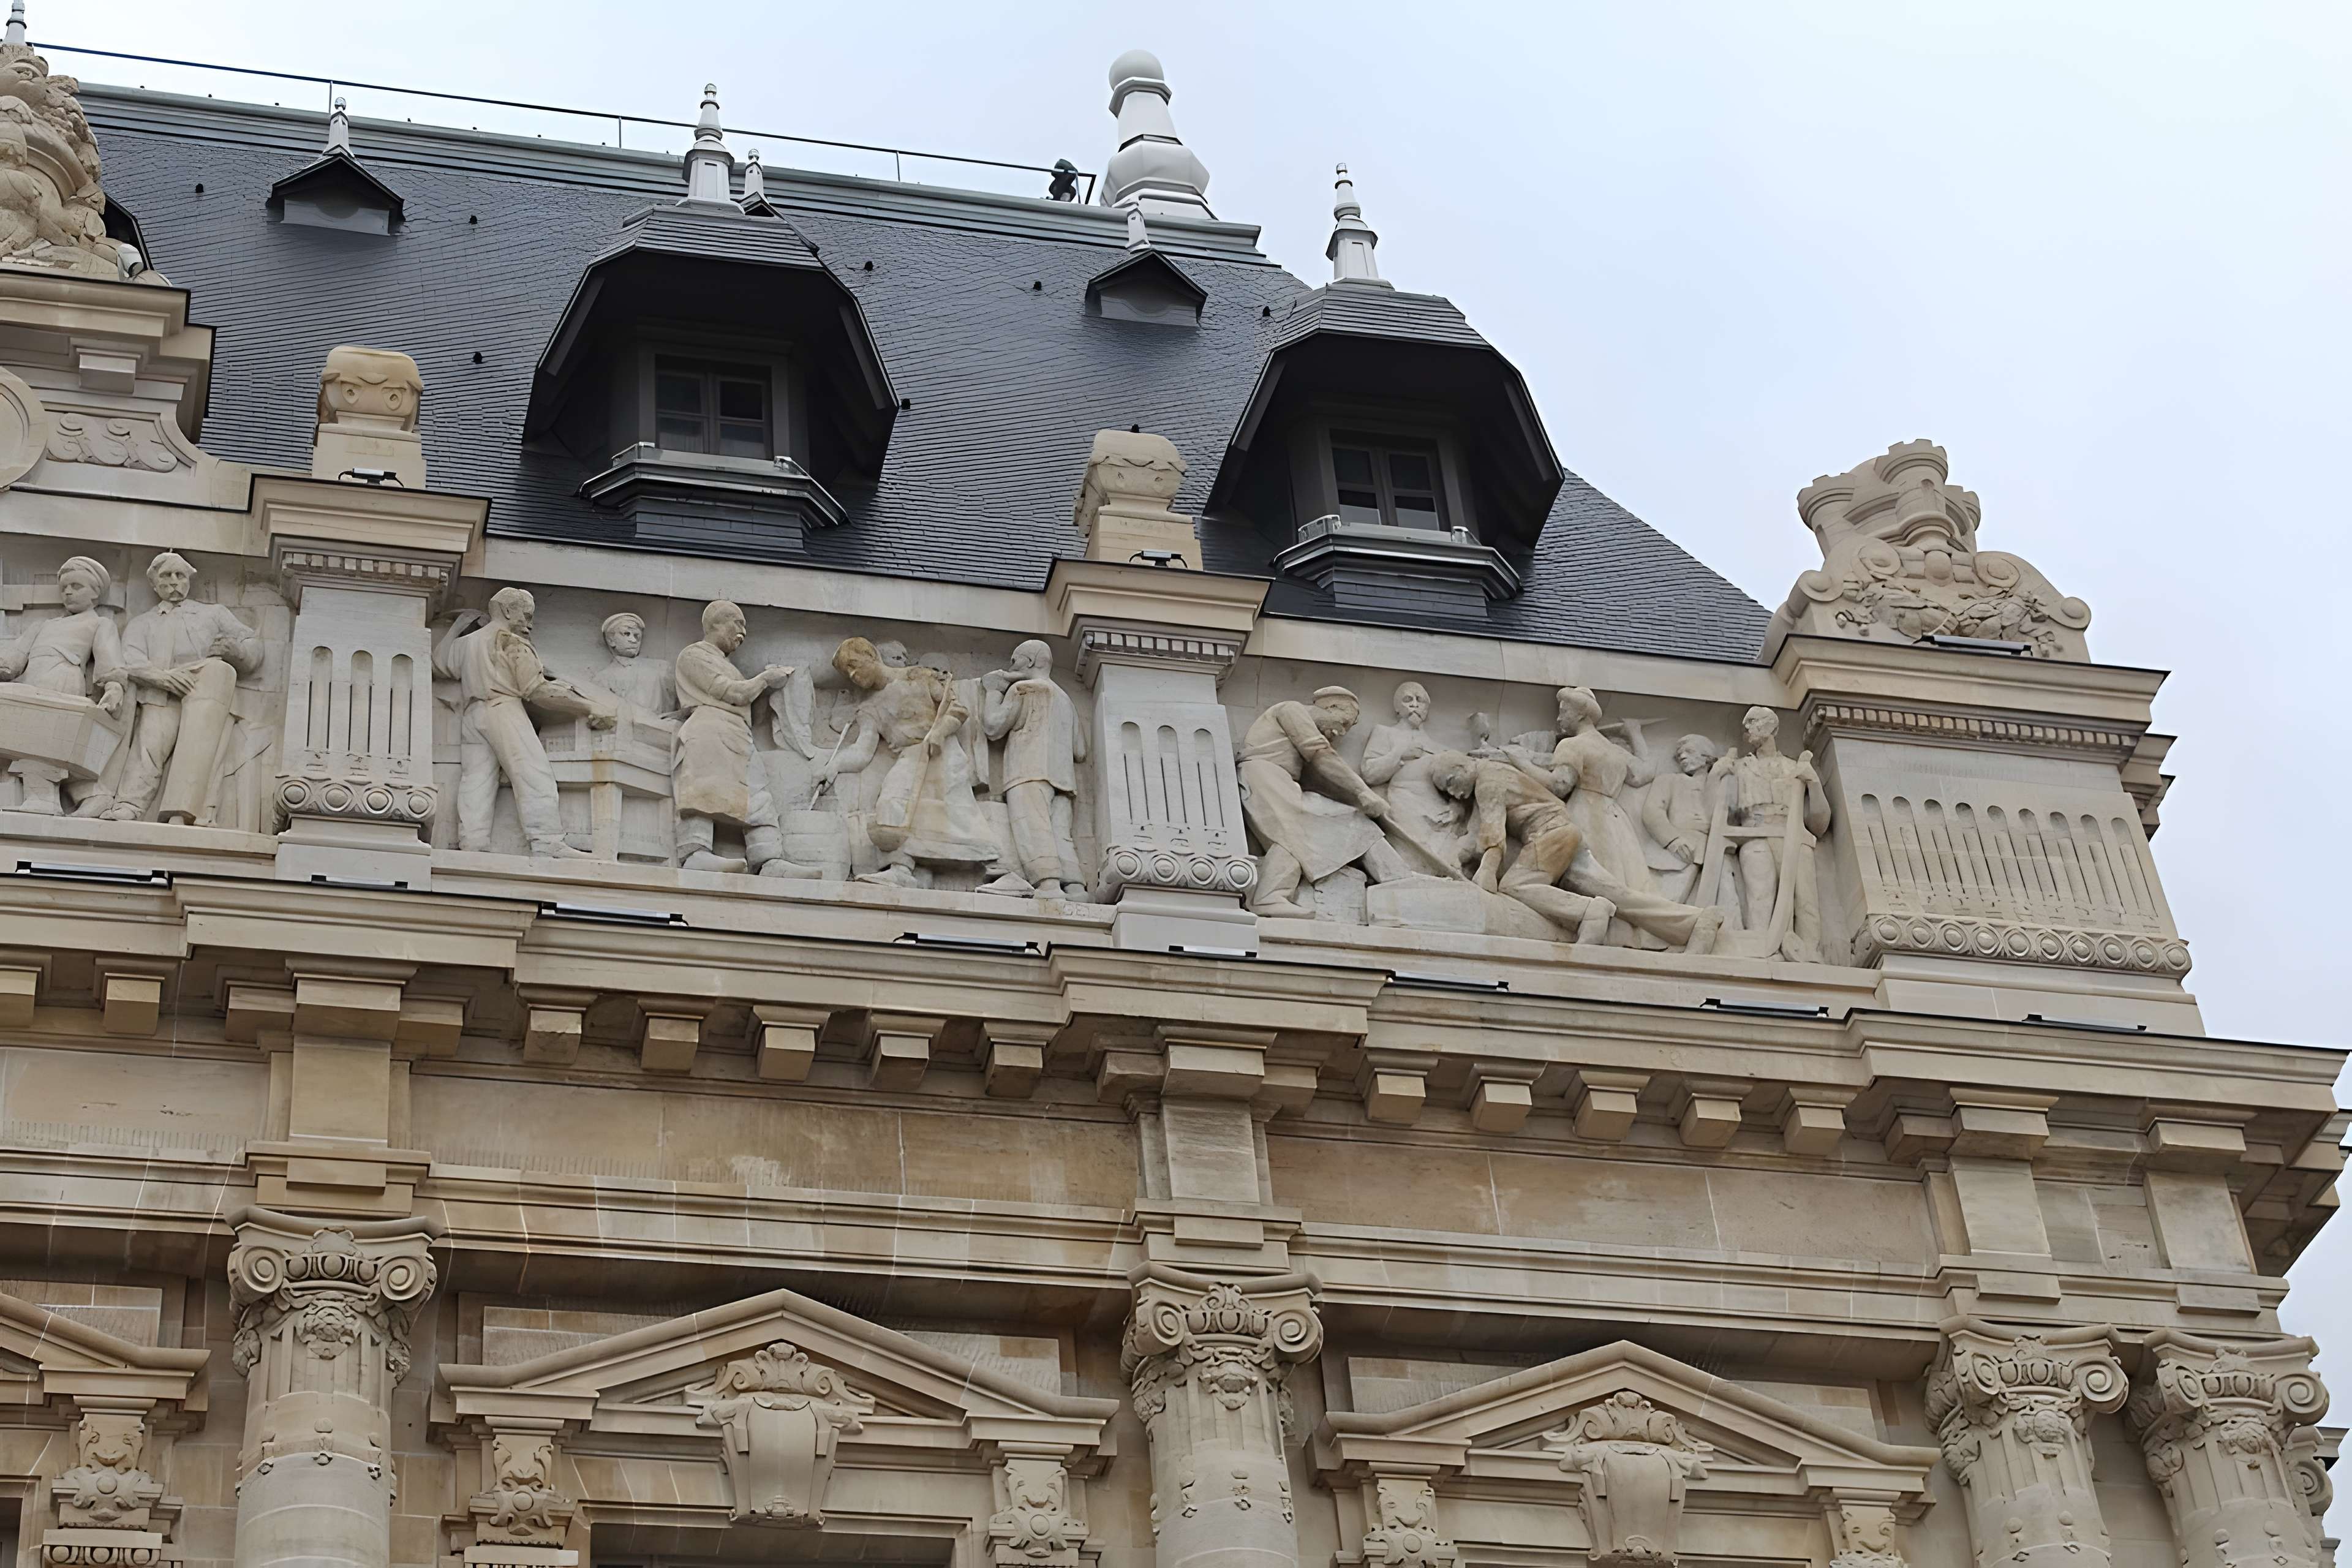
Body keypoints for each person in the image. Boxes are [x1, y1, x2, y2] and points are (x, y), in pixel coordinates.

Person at [823, 636, 1021, 891]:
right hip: (910, 757)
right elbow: (863, 751)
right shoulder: (869, 707)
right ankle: (901, 870)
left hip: (941, 754)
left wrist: (940, 732)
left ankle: (1005, 872)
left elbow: (957, 709)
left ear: (872, 656)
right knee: (891, 802)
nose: (852, 675)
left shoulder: (918, 676)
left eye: (855, 665)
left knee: (958, 812)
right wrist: (834, 765)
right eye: (846, 673)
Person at [433, 587, 612, 858]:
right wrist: (589, 706)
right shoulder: (511, 642)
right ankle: (546, 841)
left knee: (476, 780)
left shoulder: (467, 643)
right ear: (508, 611)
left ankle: (473, 843)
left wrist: (458, 627)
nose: (530, 622)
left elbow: (438, 663)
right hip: (504, 709)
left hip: (473, 716)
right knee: (532, 772)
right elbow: (537, 690)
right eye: (527, 614)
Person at [102, 551, 261, 824]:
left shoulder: (214, 614)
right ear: (154, 584)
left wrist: (236, 650)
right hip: (161, 693)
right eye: (166, 576)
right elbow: (129, 661)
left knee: (198, 742)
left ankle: (183, 810)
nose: (174, 582)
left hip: (205, 689)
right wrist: (163, 678)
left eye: (180, 576)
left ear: (189, 580)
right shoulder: (143, 623)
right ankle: (129, 805)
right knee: (149, 747)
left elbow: (253, 645)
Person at [1238, 687, 1414, 918]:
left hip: (1277, 780)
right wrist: (1364, 793)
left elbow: (1323, 776)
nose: (1341, 733)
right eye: (1343, 723)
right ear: (1330, 707)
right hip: (1265, 777)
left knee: (1294, 835)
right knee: (1301, 829)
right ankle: (1268, 897)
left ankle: (1270, 895)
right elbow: (1321, 755)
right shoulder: (1291, 710)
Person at [672, 600, 808, 876]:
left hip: (738, 735)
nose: (743, 633)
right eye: (738, 623)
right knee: (703, 789)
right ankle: (695, 853)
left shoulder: (730, 666)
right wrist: (765, 679)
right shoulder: (694, 656)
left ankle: (769, 859)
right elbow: (732, 693)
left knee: (758, 794)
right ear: (716, 624)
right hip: (709, 729)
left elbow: (749, 710)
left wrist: (770, 691)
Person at [1426, 749, 1615, 944]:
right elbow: (1476, 833)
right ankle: (1580, 919)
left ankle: (1590, 911)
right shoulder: (1491, 772)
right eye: (1447, 792)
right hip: (1555, 832)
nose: (1455, 794)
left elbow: (1493, 832)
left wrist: (1488, 871)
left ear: (1462, 767)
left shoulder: (1487, 783)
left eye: (1451, 783)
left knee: (1514, 886)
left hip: (1550, 833)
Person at [0, 554, 123, 815]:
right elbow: (12, 662)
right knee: (27, 733)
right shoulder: (42, 625)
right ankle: (91, 795)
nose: (68, 592)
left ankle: (44, 800)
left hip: (62, 679)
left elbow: (109, 661)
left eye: (76, 587)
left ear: (95, 594)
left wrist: (114, 687)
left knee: (42, 738)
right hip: (32, 682)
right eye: (64, 588)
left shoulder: (99, 623)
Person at [1713, 706, 1831, 962]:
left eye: (1755, 722)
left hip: (1794, 836)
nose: (1748, 729)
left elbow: (1819, 824)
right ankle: (1761, 952)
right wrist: (1716, 775)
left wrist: (1814, 783)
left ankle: (1808, 954)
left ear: (1773, 728)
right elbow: (1716, 813)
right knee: (1760, 896)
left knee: (1806, 901)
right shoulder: (1739, 768)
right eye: (1746, 724)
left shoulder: (1795, 768)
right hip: (1754, 835)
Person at [982, 639, 1085, 899]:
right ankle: (1075, 887)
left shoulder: (1024, 689)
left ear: (1029, 661)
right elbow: (1080, 751)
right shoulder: (1065, 699)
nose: (1011, 665)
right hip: (1063, 779)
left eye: (1014, 660)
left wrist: (994, 690)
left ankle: (1048, 885)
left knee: (1031, 826)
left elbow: (993, 727)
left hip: (1028, 770)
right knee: (1060, 833)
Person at [1360, 680, 1468, 867]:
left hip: (1438, 809)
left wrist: (1457, 808)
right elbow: (1370, 773)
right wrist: (1400, 754)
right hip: (1404, 804)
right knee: (1418, 861)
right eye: (1408, 699)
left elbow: (1460, 783)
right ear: (1397, 708)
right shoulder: (1385, 733)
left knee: (1450, 859)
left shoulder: (1439, 748)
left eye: (1421, 700)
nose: (1415, 705)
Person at [1641, 733, 1730, 908]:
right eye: (1679, 754)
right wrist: (1673, 840)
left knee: (1725, 897)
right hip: (1678, 847)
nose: (1682, 756)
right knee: (1667, 902)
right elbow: (1653, 812)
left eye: (1689, 751)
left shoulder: (1722, 784)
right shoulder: (1668, 780)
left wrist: (1715, 780)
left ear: (1708, 758)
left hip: (1713, 847)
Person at [593, 611, 674, 720]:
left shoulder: (660, 668)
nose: (634, 640)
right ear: (611, 640)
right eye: (626, 634)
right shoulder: (601, 679)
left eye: (637, 636)